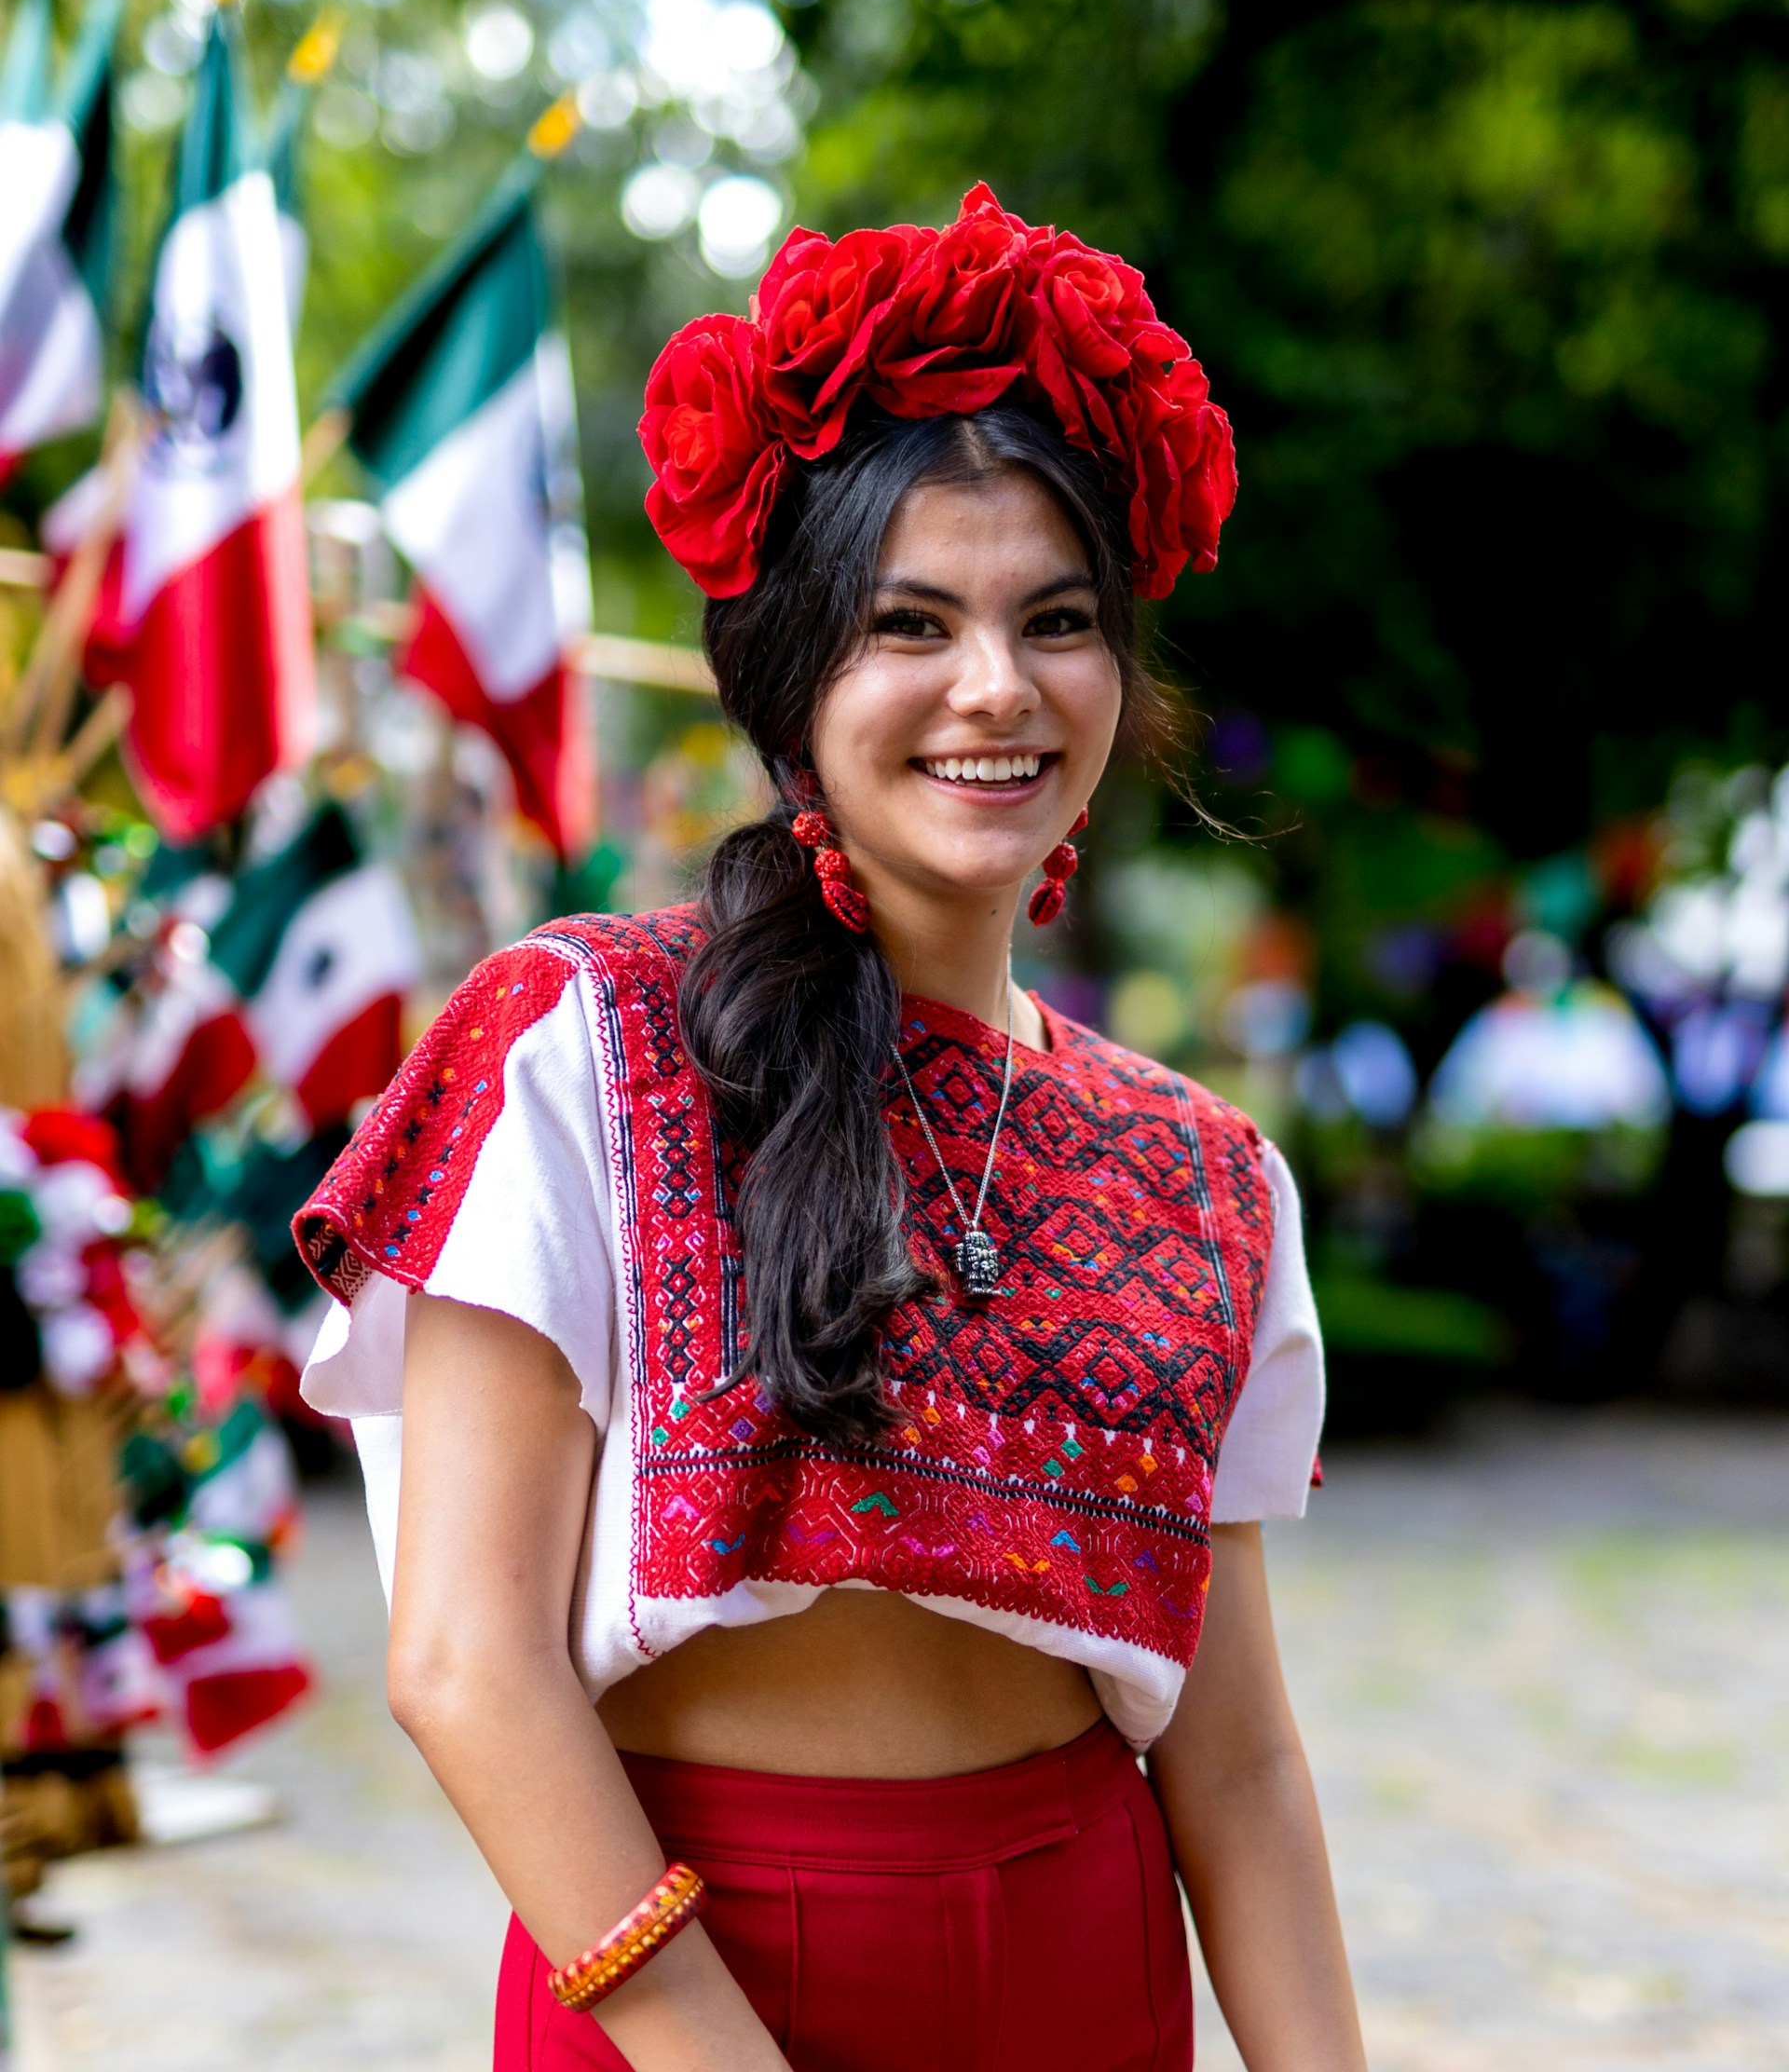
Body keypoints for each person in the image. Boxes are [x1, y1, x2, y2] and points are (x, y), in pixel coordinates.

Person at [295, 184, 1366, 2072]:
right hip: (681, 1974)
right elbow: (465, 1664)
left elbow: (1242, 1748)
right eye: (911, 622)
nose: (994, 688)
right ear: (797, 677)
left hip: (1085, 1974)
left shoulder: (1209, 1173)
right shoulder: (580, 1044)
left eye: (1056, 621)